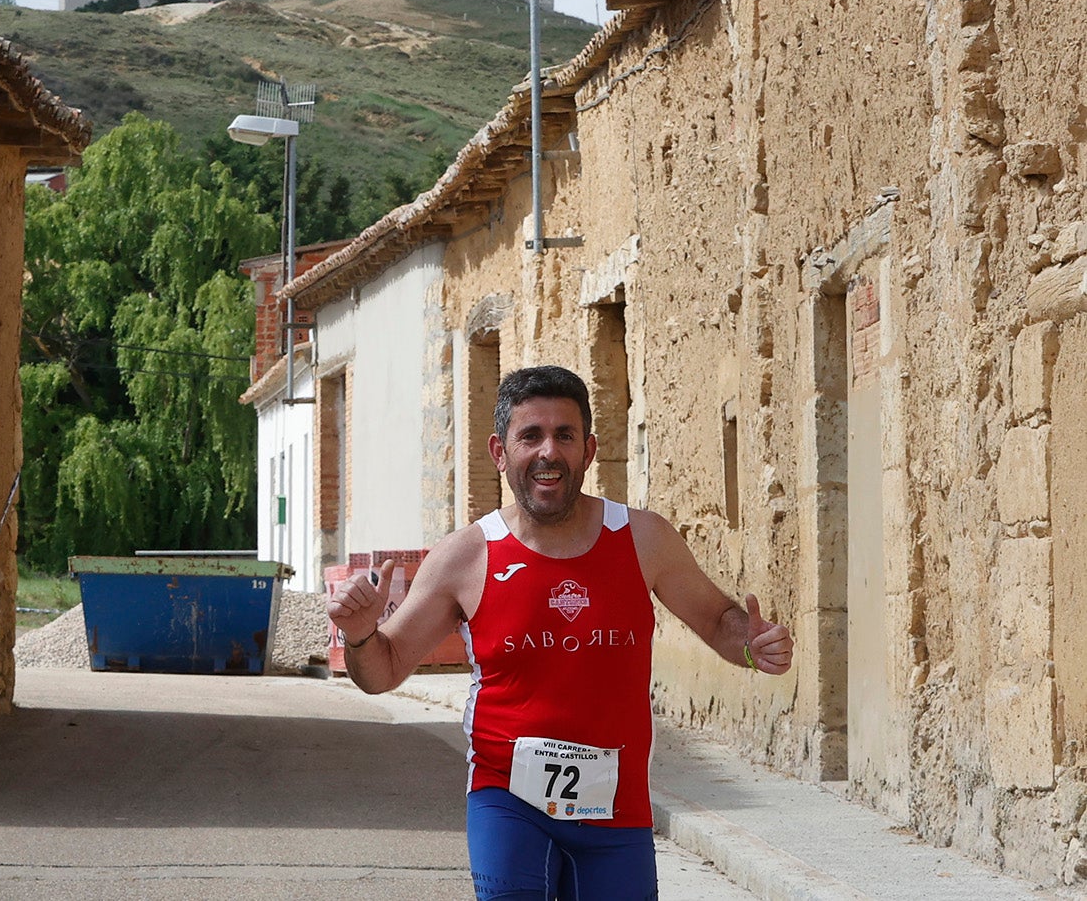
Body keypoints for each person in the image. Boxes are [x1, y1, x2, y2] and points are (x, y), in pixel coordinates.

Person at [327, 365, 794, 901]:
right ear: (500, 453)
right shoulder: (464, 557)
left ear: (589, 450)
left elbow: (717, 620)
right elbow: (382, 670)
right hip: (506, 802)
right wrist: (363, 635)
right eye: (530, 436)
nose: (548, 452)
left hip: (618, 810)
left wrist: (751, 647)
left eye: (564, 436)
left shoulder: (643, 539)